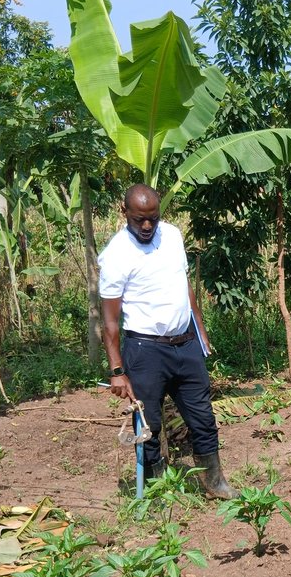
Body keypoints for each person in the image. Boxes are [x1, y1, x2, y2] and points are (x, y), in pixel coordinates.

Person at [99, 183, 235, 499]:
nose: (147, 226)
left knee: (203, 418)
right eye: (139, 220)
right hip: (145, 351)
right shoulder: (116, 255)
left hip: (186, 344)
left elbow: (183, 284)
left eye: (153, 218)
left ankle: (215, 483)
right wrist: (117, 371)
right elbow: (110, 321)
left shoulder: (172, 235)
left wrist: (199, 327)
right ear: (124, 212)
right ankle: (156, 489)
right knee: (149, 424)